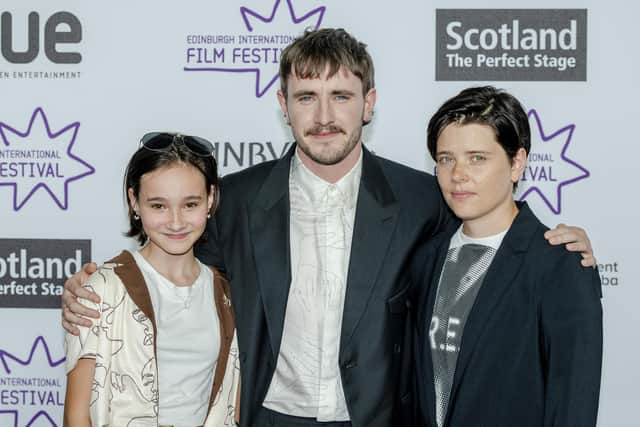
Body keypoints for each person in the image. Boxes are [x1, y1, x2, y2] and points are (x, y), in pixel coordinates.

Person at [62, 29, 595, 427]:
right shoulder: (237, 201)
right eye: (305, 97)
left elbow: (487, 244)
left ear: (369, 103)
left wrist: (559, 245)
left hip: (375, 419)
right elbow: (176, 273)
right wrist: (94, 294)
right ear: (283, 106)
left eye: (340, 96)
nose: (323, 115)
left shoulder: (423, 197)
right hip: (265, 415)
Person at [412, 86, 602, 427]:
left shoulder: (560, 263)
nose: (458, 174)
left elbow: (573, 402)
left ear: (517, 163)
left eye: (477, 158)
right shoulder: (426, 258)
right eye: (446, 158)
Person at [63, 133, 239, 426]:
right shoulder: (102, 288)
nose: (176, 221)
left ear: (210, 199)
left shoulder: (224, 292)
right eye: (158, 205)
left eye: (190, 204)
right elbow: (77, 416)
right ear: (134, 201)